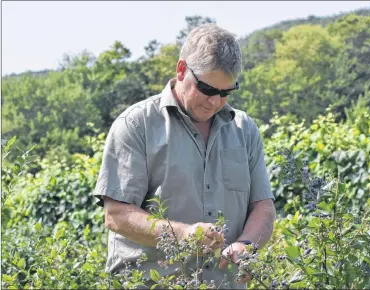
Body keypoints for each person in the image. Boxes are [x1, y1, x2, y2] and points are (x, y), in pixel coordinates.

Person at [93, 23, 276, 289]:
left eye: (226, 92)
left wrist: (247, 245)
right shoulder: (136, 125)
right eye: (207, 89)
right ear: (181, 70)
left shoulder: (244, 129)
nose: (215, 101)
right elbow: (116, 215)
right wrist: (183, 234)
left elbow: (263, 206)